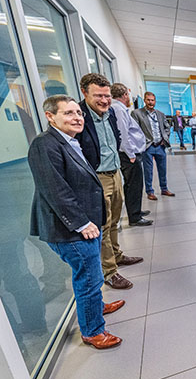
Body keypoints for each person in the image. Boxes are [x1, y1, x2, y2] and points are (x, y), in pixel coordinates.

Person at [28, 95, 124, 349]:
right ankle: (93, 332)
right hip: (70, 229)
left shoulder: (69, 141)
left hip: (85, 223)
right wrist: (82, 224)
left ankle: (96, 307)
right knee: (88, 279)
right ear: (50, 116)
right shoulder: (44, 145)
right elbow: (55, 190)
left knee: (91, 275)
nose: (77, 118)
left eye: (78, 113)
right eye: (69, 113)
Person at [75, 74, 143, 290]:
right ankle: (109, 271)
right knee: (103, 224)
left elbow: (117, 140)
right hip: (97, 178)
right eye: (98, 96)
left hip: (114, 173)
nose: (104, 100)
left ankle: (116, 254)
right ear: (85, 93)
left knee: (114, 220)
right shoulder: (78, 116)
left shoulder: (111, 114)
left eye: (107, 95)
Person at [110, 83, 153, 227]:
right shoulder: (119, 110)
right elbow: (122, 134)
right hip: (128, 155)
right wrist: (130, 154)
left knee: (135, 184)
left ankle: (136, 211)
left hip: (130, 154)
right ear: (124, 95)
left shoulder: (120, 109)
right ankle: (134, 217)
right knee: (133, 185)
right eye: (128, 94)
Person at [131, 92, 176, 201]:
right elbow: (134, 130)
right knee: (148, 170)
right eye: (148, 100)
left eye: (152, 100)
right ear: (145, 101)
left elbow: (167, 127)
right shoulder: (137, 113)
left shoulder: (160, 114)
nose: (150, 102)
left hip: (160, 145)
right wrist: (142, 142)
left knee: (162, 169)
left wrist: (165, 139)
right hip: (148, 146)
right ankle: (150, 191)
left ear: (155, 101)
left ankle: (164, 188)